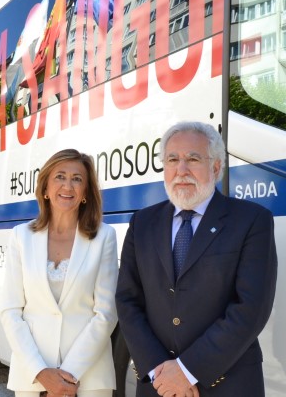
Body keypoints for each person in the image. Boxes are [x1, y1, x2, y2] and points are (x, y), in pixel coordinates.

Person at [115, 121, 277, 397]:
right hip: (159, 386)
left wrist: (188, 371)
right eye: (172, 159)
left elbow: (251, 308)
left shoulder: (251, 220)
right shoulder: (142, 222)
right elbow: (128, 301)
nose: (181, 170)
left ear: (215, 167)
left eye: (193, 159)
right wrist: (159, 370)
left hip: (228, 384)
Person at [0, 149, 119, 397]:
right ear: (45, 188)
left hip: (90, 377)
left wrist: (68, 375)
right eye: (60, 176)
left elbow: (106, 314)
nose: (68, 185)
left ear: (85, 192)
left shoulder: (104, 236)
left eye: (77, 179)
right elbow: (11, 311)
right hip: (33, 376)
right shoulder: (21, 236)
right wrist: (42, 373)